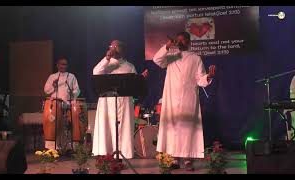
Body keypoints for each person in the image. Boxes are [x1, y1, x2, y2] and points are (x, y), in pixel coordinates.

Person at [153, 31, 216, 170]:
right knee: (173, 129)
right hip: (171, 99)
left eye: (182, 40)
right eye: (178, 40)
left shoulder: (195, 58)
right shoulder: (171, 56)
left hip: (188, 98)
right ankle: (174, 159)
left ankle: (188, 159)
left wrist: (209, 76)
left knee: (187, 129)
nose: (180, 42)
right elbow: (156, 60)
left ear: (188, 42)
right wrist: (167, 46)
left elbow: (200, 79)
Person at [92, 40, 148, 160]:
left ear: (122, 49)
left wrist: (140, 79)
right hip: (107, 103)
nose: (113, 48)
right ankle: (106, 153)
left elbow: (135, 86)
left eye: (116, 46)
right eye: (111, 46)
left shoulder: (129, 66)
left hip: (124, 102)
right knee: (107, 127)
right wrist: (107, 58)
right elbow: (96, 72)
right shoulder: (106, 63)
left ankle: (123, 154)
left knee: (123, 127)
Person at [43, 58, 80, 150]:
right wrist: (53, 86)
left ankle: (69, 147)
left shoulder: (71, 76)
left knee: (67, 126)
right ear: (57, 65)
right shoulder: (52, 76)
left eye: (65, 64)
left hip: (68, 104)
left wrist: (73, 94)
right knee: (55, 124)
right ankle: (53, 147)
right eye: (61, 64)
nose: (63, 66)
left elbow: (77, 90)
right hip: (55, 104)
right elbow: (46, 90)